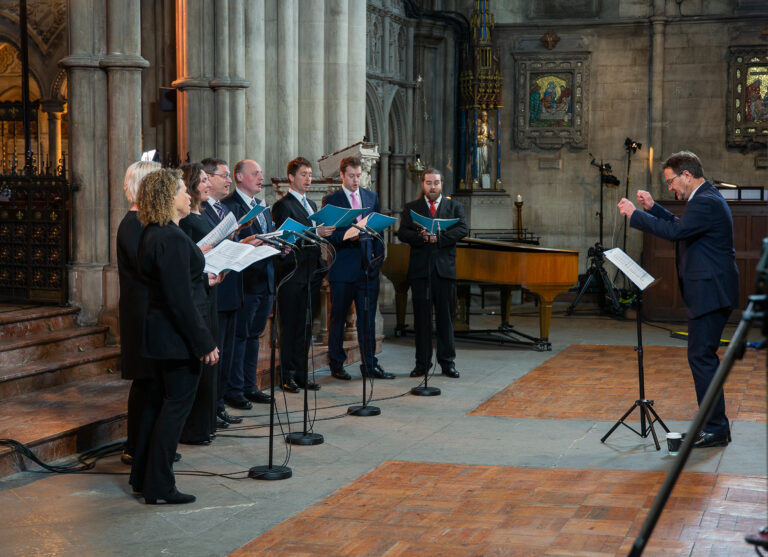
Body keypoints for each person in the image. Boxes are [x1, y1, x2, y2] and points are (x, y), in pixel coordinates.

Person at [618, 151, 739, 448]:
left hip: (711, 292)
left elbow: (677, 232)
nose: (670, 187)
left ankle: (716, 429)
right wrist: (654, 208)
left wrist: (636, 215)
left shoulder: (707, 201)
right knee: (702, 358)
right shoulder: (704, 198)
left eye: (670, 181)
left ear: (687, 174)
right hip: (711, 291)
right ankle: (713, 425)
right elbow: (683, 227)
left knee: (701, 358)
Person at [130, 168, 219, 504]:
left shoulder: (155, 233)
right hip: (177, 340)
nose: (187, 194)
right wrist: (205, 343)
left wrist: (202, 280)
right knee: (174, 413)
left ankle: (144, 479)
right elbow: (179, 301)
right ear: (169, 198)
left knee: (156, 408)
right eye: (182, 189)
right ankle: (161, 486)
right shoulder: (170, 237)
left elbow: (176, 286)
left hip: (162, 335)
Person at [324, 156, 394, 381]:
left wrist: (377, 260)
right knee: (338, 318)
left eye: (359, 175)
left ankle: (370, 364)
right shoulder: (331, 200)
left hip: (367, 270)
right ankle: (336, 363)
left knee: (367, 320)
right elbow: (330, 236)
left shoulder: (370, 197)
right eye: (351, 176)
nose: (356, 180)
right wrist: (348, 236)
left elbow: (378, 232)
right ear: (342, 175)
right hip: (342, 269)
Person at [270, 157, 334, 392]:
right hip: (292, 274)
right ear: (291, 177)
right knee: (291, 327)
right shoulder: (283, 205)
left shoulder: (312, 206)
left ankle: (302, 373)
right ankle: (287, 375)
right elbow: (284, 239)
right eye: (304, 174)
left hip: (311, 273)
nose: (309, 179)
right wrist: (315, 231)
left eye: (310, 174)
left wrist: (321, 235)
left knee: (306, 327)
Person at [397, 168, 468, 379]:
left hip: (445, 271)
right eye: (428, 183)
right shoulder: (412, 207)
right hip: (421, 271)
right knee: (422, 319)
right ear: (423, 184)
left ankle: (447, 363)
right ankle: (422, 364)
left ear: (441, 184)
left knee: (445, 319)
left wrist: (440, 237)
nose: (432, 187)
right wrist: (422, 238)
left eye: (436, 183)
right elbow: (402, 232)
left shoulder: (454, 206)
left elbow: (463, 228)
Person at [116, 160, 161, 465]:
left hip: (151, 309)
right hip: (141, 312)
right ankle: (135, 446)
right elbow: (146, 267)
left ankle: (151, 444)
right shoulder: (132, 224)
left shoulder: (147, 222)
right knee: (144, 381)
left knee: (153, 381)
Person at [221, 159, 275, 408]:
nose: (260, 177)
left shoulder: (262, 206)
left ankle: (250, 386)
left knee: (254, 336)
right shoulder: (229, 206)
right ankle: (234, 389)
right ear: (239, 177)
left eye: (261, 173)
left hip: (266, 279)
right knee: (240, 337)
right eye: (255, 173)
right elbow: (227, 244)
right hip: (244, 281)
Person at [178, 163, 218, 445]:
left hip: (208, 291)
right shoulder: (185, 225)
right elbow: (186, 268)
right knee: (202, 363)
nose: (208, 184)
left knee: (211, 364)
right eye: (202, 180)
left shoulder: (200, 215)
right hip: (197, 296)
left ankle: (207, 423)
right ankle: (196, 427)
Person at [201, 157, 243, 428]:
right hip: (210, 290)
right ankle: (209, 409)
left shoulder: (224, 211)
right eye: (223, 175)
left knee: (225, 352)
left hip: (229, 287)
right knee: (213, 354)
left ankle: (218, 406)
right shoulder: (200, 211)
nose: (228, 180)